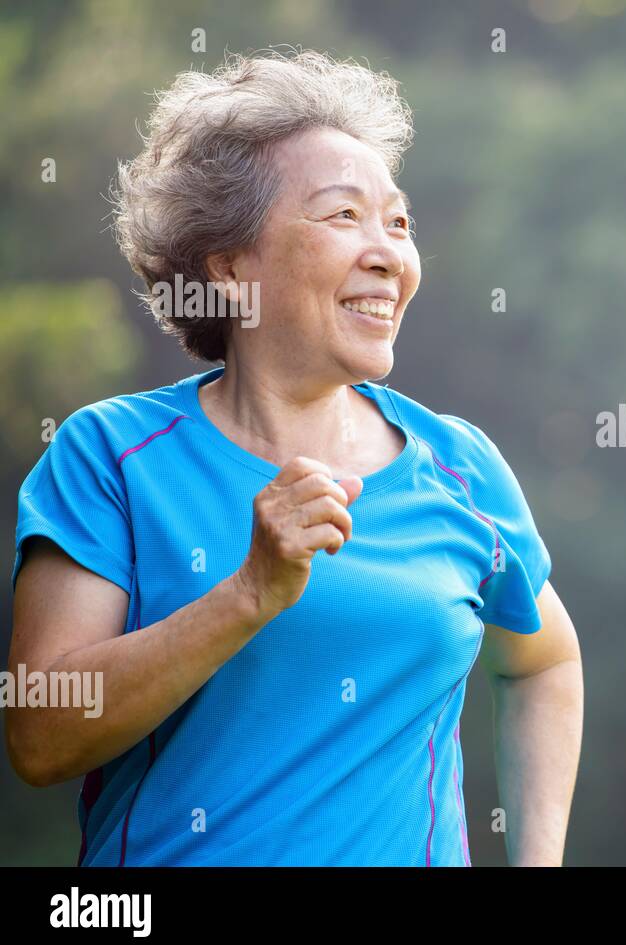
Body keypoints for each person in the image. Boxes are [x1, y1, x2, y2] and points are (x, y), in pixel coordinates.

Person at [6, 49, 583, 866]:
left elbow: (543, 661)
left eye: (399, 221)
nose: (388, 252)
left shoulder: (462, 466)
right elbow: (39, 735)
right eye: (344, 216)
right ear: (230, 265)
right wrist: (248, 594)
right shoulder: (109, 456)